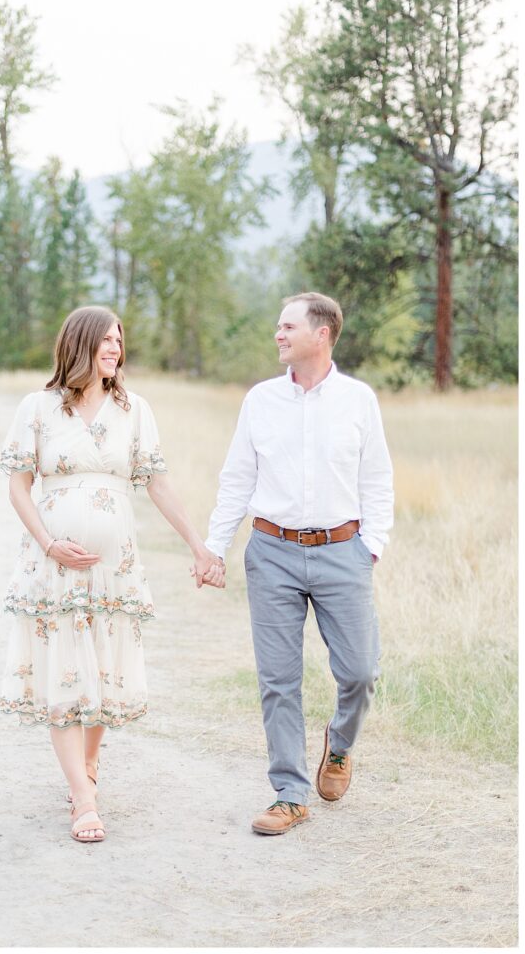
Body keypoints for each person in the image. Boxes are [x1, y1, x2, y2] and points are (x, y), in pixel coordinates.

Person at [0, 306, 224, 843]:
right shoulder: (39, 408)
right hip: (53, 567)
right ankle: (82, 798)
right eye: (104, 340)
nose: (115, 349)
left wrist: (198, 545)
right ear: (78, 344)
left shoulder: (133, 409)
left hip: (114, 569)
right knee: (65, 676)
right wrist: (50, 543)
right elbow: (17, 487)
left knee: (101, 674)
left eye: (119, 340)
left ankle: (89, 765)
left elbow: (159, 483)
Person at [203, 292, 393, 835]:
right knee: (279, 680)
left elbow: (377, 479)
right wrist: (215, 548)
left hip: (343, 553)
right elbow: (237, 478)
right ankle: (289, 792)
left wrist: (369, 546)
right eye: (278, 326)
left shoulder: (359, 400)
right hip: (273, 553)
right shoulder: (260, 400)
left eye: (288, 326)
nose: (278, 335)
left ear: (322, 333)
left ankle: (341, 743)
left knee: (360, 671)